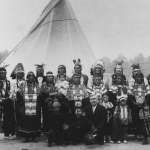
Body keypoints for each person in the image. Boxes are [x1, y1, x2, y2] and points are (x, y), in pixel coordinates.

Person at [128, 64, 148, 144]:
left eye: (140, 77)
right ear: (134, 77)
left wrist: (144, 103)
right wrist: (134, 103)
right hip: (135, 105)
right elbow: (130, 95)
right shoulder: (132, 83)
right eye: (136, 76)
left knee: (144, 120)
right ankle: (138, 134)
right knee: (136, 119)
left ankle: (145, 136)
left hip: (144, 105)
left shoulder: (145, 83)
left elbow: (148, 94)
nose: (138, 78)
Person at [18, 71, 41, 142]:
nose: (31, 78)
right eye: (29, 76)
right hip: (26, 105)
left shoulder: (37, 85)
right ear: (27, 78)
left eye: (32, 76)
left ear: (34, 78)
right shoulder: (23, 85)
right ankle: (26, 137)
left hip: (34, 105)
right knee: (26, 121)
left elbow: (39, 95)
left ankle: (34, 137)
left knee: (34, 121)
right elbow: (20, 94)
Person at [10, 63, 26, 135]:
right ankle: (17, 130)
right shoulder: (13, 82)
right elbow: (11, 91)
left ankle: (23, 130)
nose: (20, 75)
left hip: (23, 101)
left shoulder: (25, 82)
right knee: (16, 115)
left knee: (23, 115)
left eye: (21, 73)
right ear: (16, 74)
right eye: (18, 73)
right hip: (15, 100)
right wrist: (14, 95)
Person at [0, 66, 15, 139]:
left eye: (4, 73)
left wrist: (9, 97)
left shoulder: (9, 82)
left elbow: (11, 91)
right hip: (0, 101)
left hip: (7, 101)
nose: (3, 74)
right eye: (1, 73)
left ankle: (7, 133)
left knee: (7, 118)